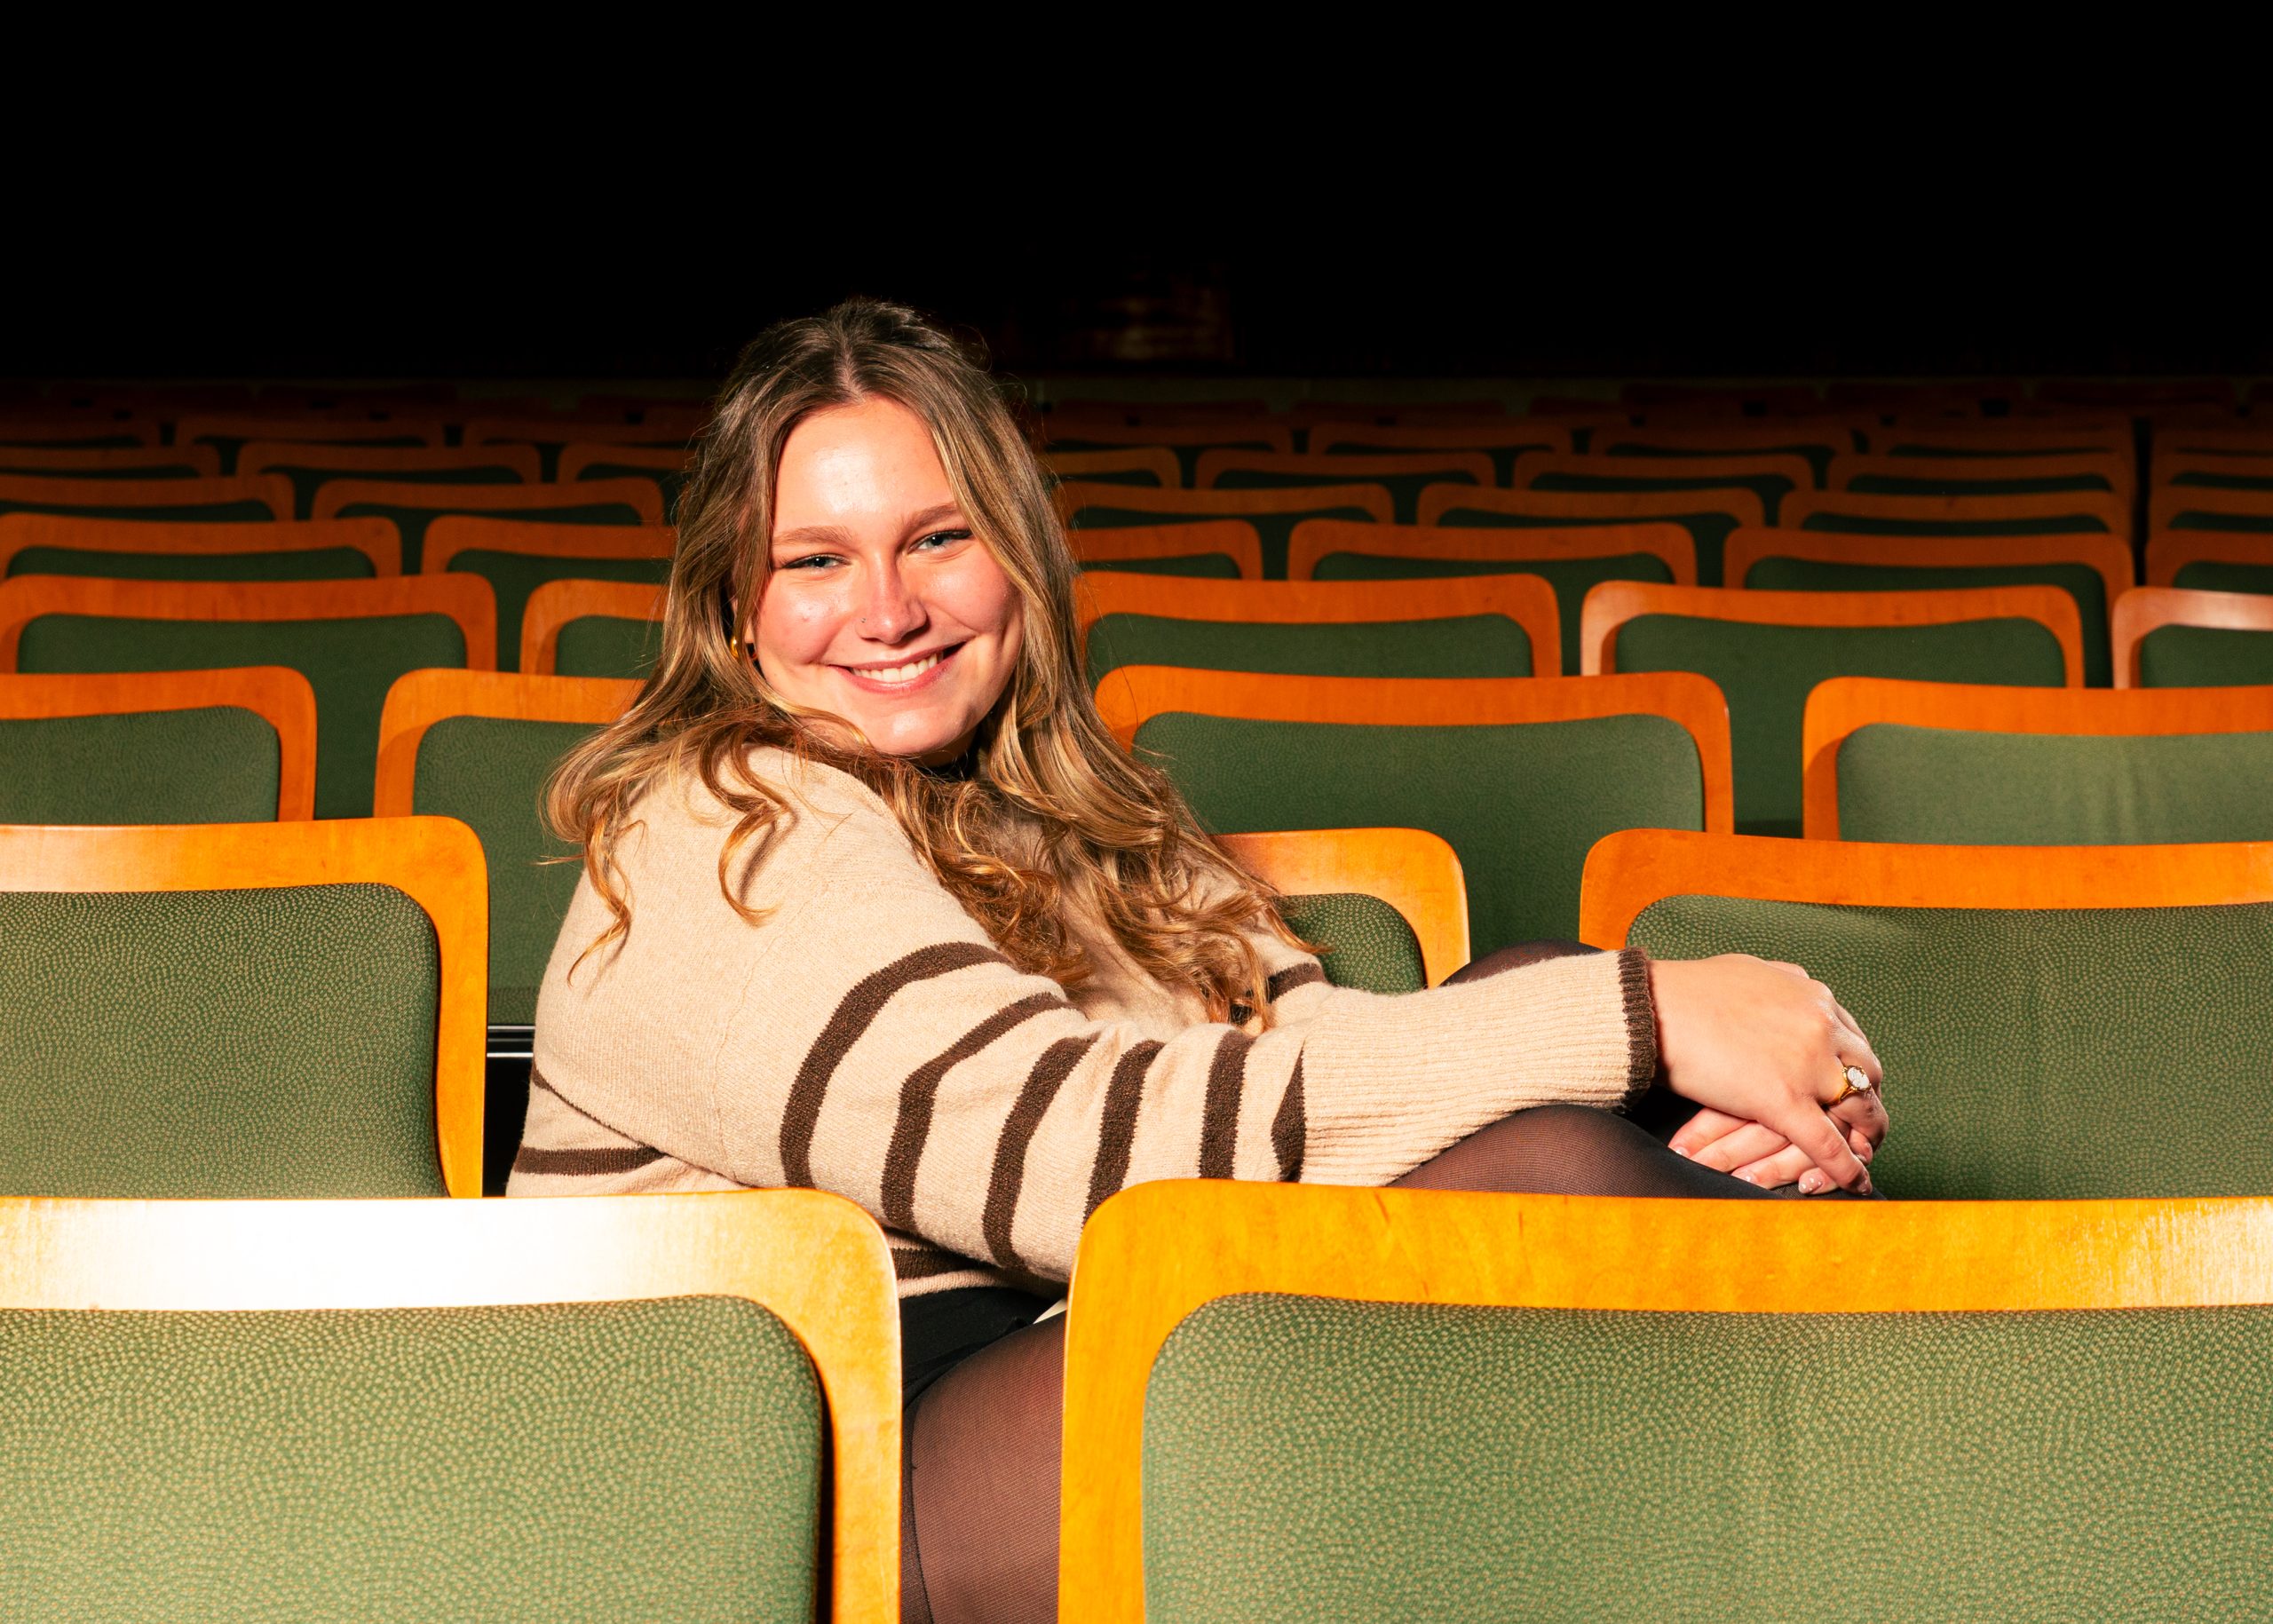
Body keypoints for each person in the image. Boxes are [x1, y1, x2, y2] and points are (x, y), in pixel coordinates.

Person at [512, 300, 1889, 1624]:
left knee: (1542, 1019)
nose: (889, 608)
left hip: (1041, 1363)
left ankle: (1862, 1318)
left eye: (938, 537)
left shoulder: (1069, 809)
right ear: (736, 606)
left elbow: (1312, 1057)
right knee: (1554, 1156)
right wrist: (1647, 1016)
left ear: (1017, 556)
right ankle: (1918, 1404)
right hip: (808, 1496)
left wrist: (1727, 1083)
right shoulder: (723, 828)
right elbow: (1087, 1153)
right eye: (816, 560)